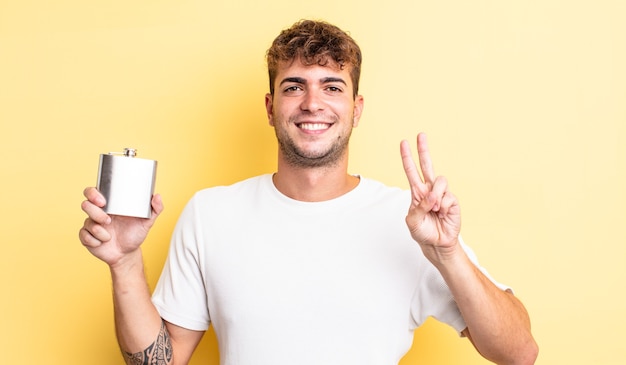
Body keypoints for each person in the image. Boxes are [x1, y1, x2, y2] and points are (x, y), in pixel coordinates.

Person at [79, 19, 538, 365]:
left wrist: (448, 253)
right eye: (294, 86)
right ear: (270, 106)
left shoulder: (412, 222)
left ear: (356, 110)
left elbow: (519, 353)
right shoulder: (211, 214)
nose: (312, 103)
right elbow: (162, 361)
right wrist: (124, 263)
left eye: (331, 87)